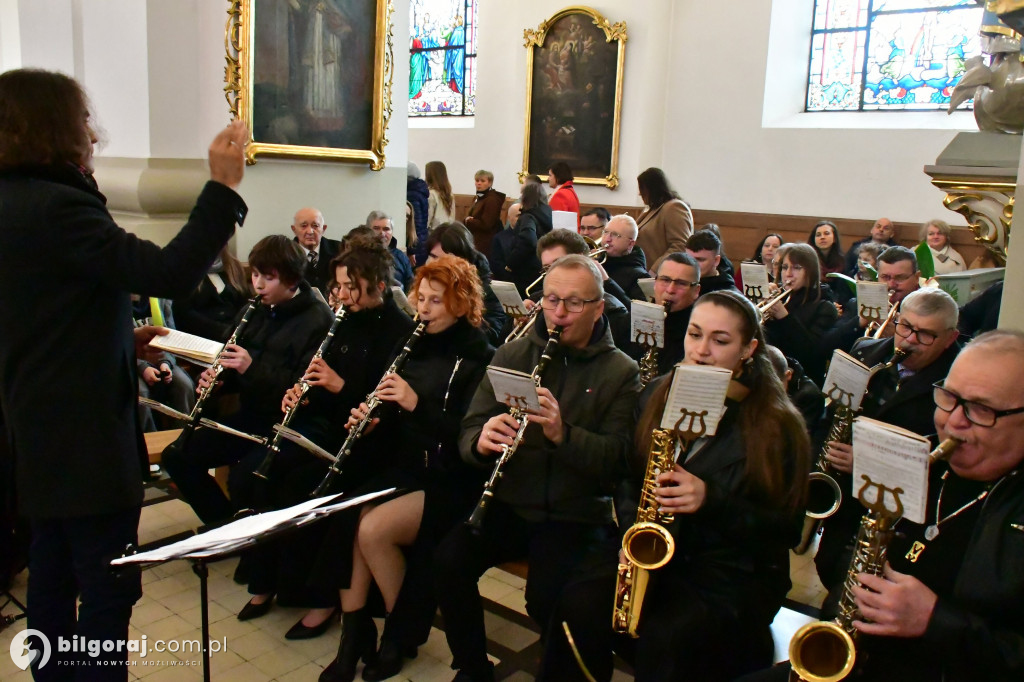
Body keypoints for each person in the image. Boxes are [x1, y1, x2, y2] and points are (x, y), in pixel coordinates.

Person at [0, 68, 249, 678]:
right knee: (107, 589)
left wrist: (116, 342)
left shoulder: (13, 201)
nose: (92, 134)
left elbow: (39, 319)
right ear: (53, 128)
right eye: (83, 120)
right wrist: (221, 186)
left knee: (51, 573)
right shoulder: (59, 207)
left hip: (35, 433)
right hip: (84, 443)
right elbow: (169, 273)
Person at [541, 290, 811, 682]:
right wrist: (635, 532)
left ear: (749, 349)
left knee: (666, 640)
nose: (701, 351)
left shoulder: (778, 425)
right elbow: (628, 475)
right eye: (694, 334)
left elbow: (785, 530)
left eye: (720, 341)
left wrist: (710, 499)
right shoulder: (658, 391)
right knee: (576, 604)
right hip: (658, 553)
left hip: (729, 573)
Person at [743, 329, 1024, 682]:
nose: (953, 421)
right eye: (949, 397)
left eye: (981, 409)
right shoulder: (923, 459)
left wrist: (936, 622)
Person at [434, 255, 640, 682]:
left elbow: (618, 460)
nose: (559, 313)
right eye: (551, 299)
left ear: (599, 308)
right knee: (448, 561)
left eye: (574, 303)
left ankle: (563, 667)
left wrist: (564, 435)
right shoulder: (512, 353)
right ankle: (473, 668)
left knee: (546, 599)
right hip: (510, 501)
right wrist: (481, 439)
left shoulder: (621, 371)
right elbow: (470, 427)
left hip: (574, 512)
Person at [318, 256, 494, 682]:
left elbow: (467, 437)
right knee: (346, 514)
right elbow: (394, 414)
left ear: (461, 303)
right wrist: (374, 418)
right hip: (409, 463)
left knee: (373, 530)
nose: (424, 309)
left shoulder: (479, 355)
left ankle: (400, 634)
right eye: (421, 298)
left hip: (451, 476)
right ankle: (355, 634)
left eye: (436, 300)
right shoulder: (410, 342)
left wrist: (415, 404)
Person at [234, 238, 415, 639]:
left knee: (303, 487)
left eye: (352, 287)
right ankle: (267, 580)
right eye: (339, 286)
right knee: (265, 475)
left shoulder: (400, 331)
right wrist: (302, 394)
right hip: (329, 430)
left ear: (379, 285)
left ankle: (321, 598)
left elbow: (383, 410)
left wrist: (338, 386)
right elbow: (321, 387)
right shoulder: (344, 320)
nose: (343, 295)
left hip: (370, 445)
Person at [162, 236, 334, 527]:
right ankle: (225, 526)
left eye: (268, 278)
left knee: (245, 478)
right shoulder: (252, 310)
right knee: (178, 456)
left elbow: (302, 389)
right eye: (255, 275)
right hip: (253, 416)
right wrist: (218, 382)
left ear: (292, 280)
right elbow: (232, 366)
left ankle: (245, 535)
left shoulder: (318, 319)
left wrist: (250, 367)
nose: (258, 285)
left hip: (293, 424)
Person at [814, 288, 962, 600]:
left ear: (951, 338)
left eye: (925, 335)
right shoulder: (865, 352)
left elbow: (949, 460)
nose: (908, 341)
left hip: (901, 520)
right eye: (905, 326)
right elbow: (833, 413)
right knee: (828, 566)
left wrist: (867, 462)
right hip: (847, 501)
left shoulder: (959, 384)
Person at [535, 229, 632, 350]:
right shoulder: (538, 299)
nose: (552, 273)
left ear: (581, 260)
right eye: (546, 268)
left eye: (559, 264)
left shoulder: (613, 311)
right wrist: (533, 328)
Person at [762, 243, 839, 383]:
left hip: (800, 381)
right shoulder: (782, 298)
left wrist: (784, 318)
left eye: (796, 268)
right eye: (785, 267)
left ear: (810, 272)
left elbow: (811, 354)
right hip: (768, 372)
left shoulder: (825, 307)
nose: (788, 273)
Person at [425, 222, 507, 346]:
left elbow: (492, 336)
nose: (437, 265)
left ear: (464, 261)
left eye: (445, 260)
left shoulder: (488, 291)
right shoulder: (425, 285)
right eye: (433, 257)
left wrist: (457, 315)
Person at [638, 252, 702, 375]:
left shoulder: (698, 332)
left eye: (681, 283)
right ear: (655, 283)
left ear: (696, 291)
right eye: (665, 280)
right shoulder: (636, 319)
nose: (670, 290)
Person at [172, 243, 253, 340]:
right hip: (202, 338)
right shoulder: (184, 271)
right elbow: (184, 315)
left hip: (237, 336)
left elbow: (246, 305)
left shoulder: (233, 266)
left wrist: (242, 331)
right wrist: (226, 332)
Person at [634, 167, 693, 272]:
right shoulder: (653, 209)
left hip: (661, 273)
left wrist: (656, 270)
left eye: (642, 188)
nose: (639, 193)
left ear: (652, 188)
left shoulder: (674, 207)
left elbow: (680, 245)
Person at [506, 181, 553, 297]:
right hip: (542, 266)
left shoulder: (528, 216)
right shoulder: (548, 215)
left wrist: (511, 262)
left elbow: (528, 240)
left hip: (526, 270)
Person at [291, 206, 342, 300]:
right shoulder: (286, 254)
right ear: (294, 229)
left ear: (324, 229)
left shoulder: (339, 250)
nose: (310, 231)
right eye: (304, 226)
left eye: (315, 226)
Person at [600, 214, 649, 301]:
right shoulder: (600, 260)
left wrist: (607, 282)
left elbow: (634, 308)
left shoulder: (640, 276)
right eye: (606, 232)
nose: (607, 239)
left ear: (630, 244)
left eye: (615, 235)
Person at [366, 210, 414, 290]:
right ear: (368, 231)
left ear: (392, 232)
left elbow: (411, 288)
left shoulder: (401, 257)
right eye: (376, 228)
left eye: (386, 229)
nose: (382, 233)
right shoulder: (360, 256)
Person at [464, 170, 506, 258]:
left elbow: (487, 224)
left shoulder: (492, 199)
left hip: (485, 242)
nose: (479, 183)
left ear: (490, 183)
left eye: (482, 181)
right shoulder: (478, 197)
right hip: (475, 239)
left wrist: (469, 221)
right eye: (477, 181)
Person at [684, 229, 739, 295]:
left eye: (700, 260)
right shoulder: (678, 284)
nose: (692, 264)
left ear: (716, 260)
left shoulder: (728, 296)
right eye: (689, 259)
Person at [489, 202, 519, 283]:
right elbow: (496, 264)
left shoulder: (533, 237)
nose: (522, 219)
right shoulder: (499, 238)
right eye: (518, 216)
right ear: (509, 218)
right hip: (507, 281)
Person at [407, 162, 430, 265]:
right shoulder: (420, 191)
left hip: (417, 243)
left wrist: (412, 250)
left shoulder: (412, 194)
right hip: (423, 239)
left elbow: (415, 224)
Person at [425, 160, 456, 230]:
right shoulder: (449, 194)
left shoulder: (431, 194)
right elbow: (452, 217)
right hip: (448, 230)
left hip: (434, 232)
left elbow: (427, 218)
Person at [547, 161, 580, 226]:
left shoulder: (560, 195)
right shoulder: (569, 191)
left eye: (550, 175)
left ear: (558, 176)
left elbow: (557, 224)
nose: (548, 179)